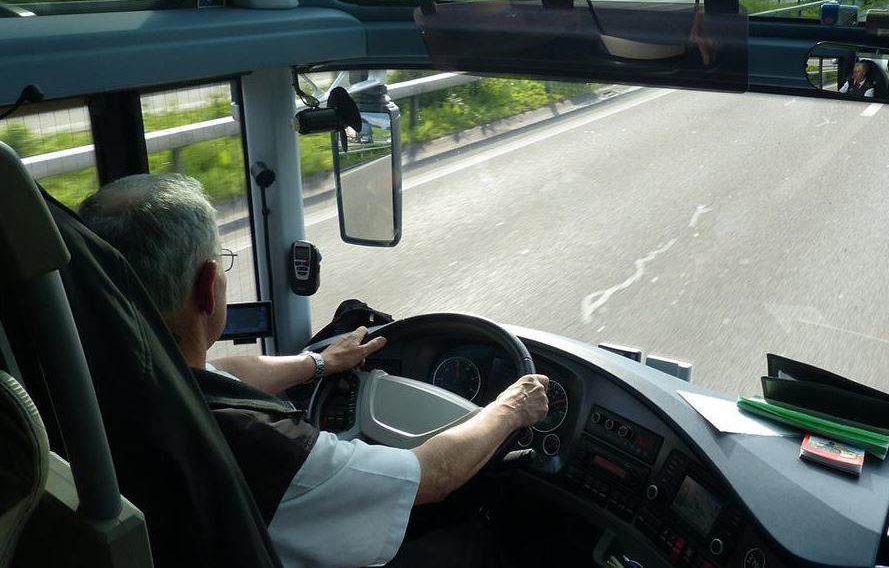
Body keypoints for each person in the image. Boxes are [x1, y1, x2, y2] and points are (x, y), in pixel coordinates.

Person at [78, 173, 550, 568]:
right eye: (221, 265)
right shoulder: (264, 445)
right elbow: (434, 476)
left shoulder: (99, 381)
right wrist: (511, 407)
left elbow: (228, 372)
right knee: (469, 546)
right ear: (208, 288)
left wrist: (319, 362)